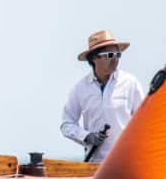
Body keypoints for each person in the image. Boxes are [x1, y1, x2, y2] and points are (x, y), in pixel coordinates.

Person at [60, 29, 144, 162]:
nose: (116, 59)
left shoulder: (130, 83)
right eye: (110, 55)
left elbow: (145, 121)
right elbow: (67, 124)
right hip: (94, 166)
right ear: (94, 58)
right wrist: (87, 136)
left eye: (118, 54)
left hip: (126, 163)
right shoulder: (80, 89)